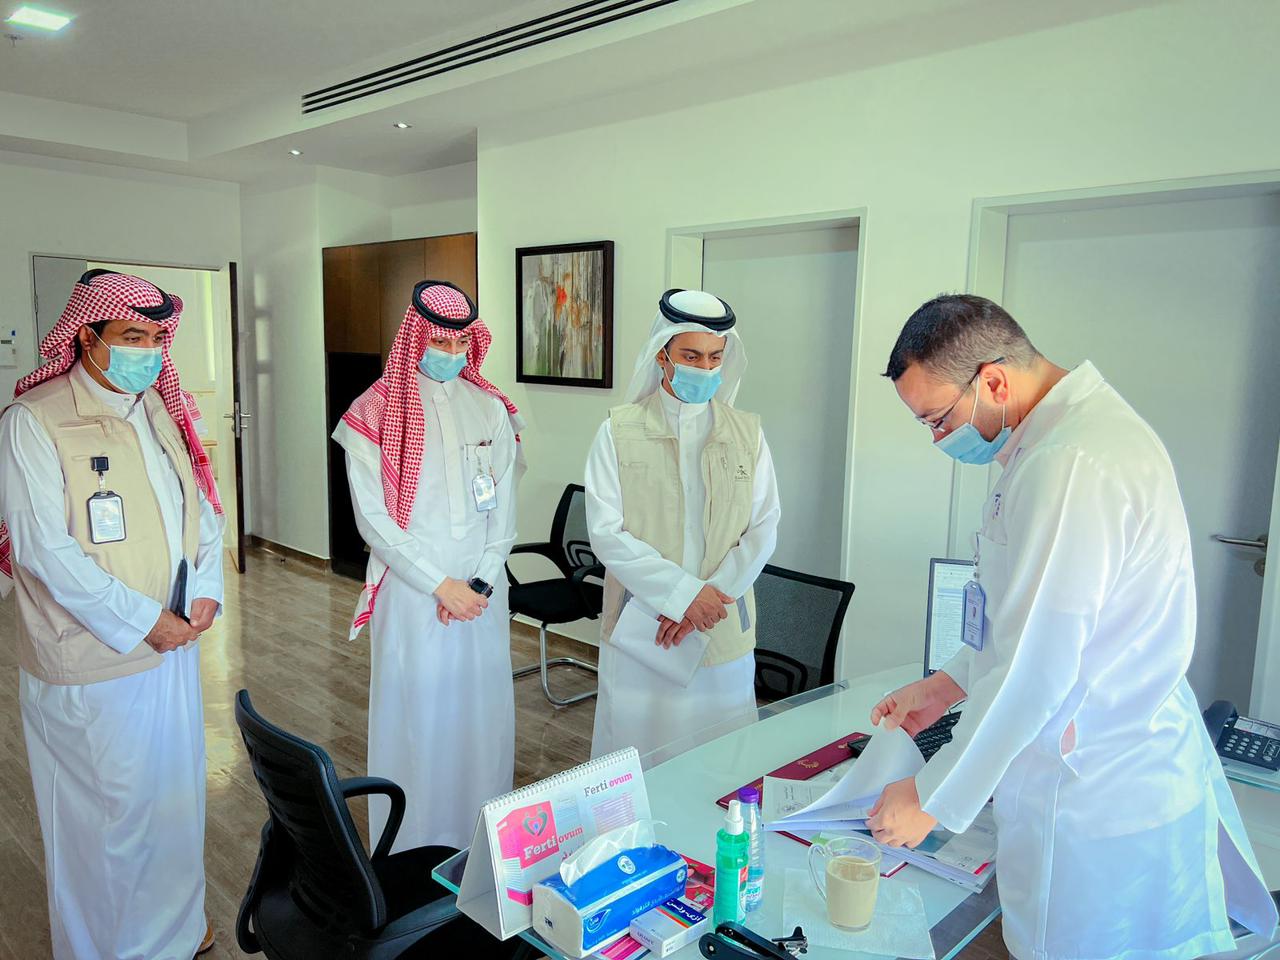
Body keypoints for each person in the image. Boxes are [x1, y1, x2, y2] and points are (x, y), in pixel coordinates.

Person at [868, 294, 1277, 958]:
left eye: (938, 419)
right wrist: (945, 685)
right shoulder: (1051, 444)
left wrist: (930, 796)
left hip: (1098, 788)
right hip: (1092, 764)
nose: (939, 440)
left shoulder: (1071, 462)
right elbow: (1022, 616)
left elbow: (1038, 667)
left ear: (994, 382)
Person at [0, 270, 225, 959]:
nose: (149, 352)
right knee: (108, 818)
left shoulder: (156, 408)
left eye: (157, 338)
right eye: (133, 336)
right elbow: (43, 549)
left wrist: (206, 584)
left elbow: (199, 508)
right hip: (92, 657)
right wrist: (142, 620)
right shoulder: (34, 420)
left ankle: (175, 931)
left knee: (173, 799)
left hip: (172, 643)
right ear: (87, 336)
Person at [333, 280, 522, 851]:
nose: (453, 353)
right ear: (414, 337)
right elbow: (373, 522)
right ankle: (409, 851)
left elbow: (504, 511)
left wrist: (479, 583)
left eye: (462, 343)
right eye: (440, 342)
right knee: (418, 722)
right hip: (413, 594)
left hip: (482, 595)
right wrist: (442, 586)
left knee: (481, 721)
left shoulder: (489, 407)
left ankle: (480, 849)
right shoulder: (372, 411)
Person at [586, 289, 780, 758]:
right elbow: (606, 533)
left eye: (715, 357)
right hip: (644, 625)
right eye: (691, 356)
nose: (705, 368)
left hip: (719, 626)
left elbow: (764, 526)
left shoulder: (747, 434)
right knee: (638, 758)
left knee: (722, 761)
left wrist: (708, 599)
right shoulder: (618, 431)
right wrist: (681, 596)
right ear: (662, 354)